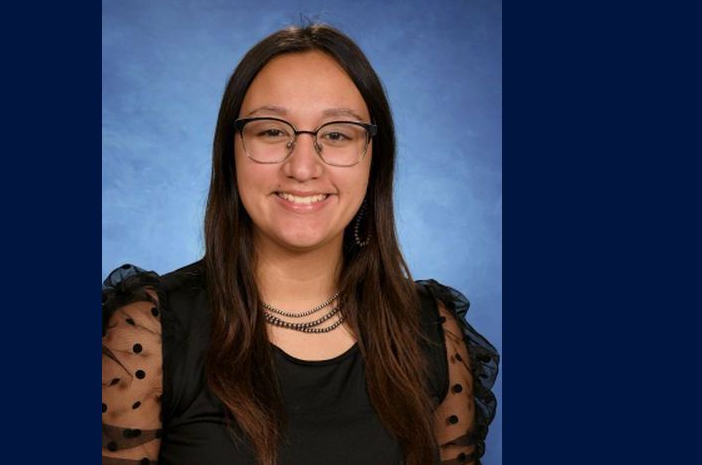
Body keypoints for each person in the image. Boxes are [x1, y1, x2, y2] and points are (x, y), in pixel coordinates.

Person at [102, 23, 499, 465]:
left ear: (375, 157)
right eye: (272, 132)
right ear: (231, 152)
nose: (303, 167)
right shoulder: (150, 334)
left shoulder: (431, 331)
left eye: (337, 134)